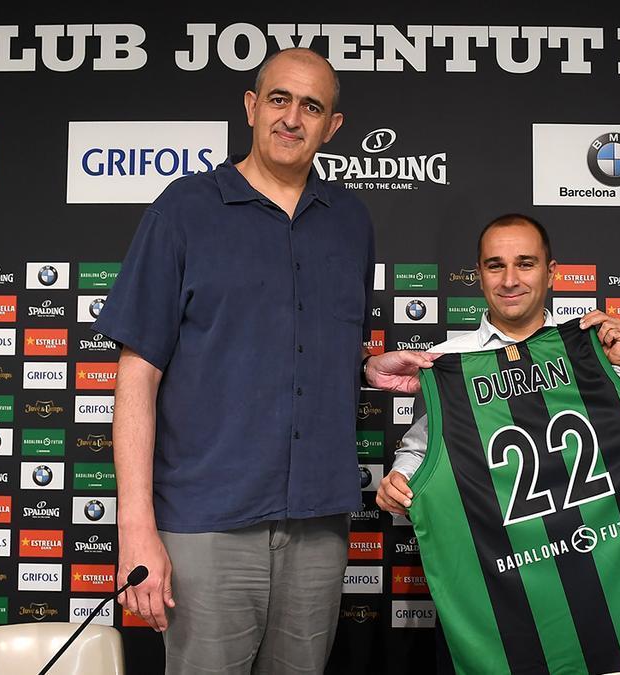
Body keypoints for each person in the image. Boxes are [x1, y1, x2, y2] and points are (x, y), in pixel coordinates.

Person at [93, 47, 430, 674]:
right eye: (279, 99)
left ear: (333, 127)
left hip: (316, 522)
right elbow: (137, 375)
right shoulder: (185, 210)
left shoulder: (350, 222)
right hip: (206, 522)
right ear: (251, 107)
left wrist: (363, 369)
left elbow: (298, 345)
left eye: (312, 106)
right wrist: (135, 526)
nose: (292, 118)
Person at [376, 213, 620, 515]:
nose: (510, 280)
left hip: (595, 546)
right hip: (494, 560)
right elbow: (421, 451)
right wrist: (400, 479)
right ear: (479, 275)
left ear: (551, 272)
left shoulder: (591, 349)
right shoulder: (445, 362)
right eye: (495, 266)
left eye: (525, 264)